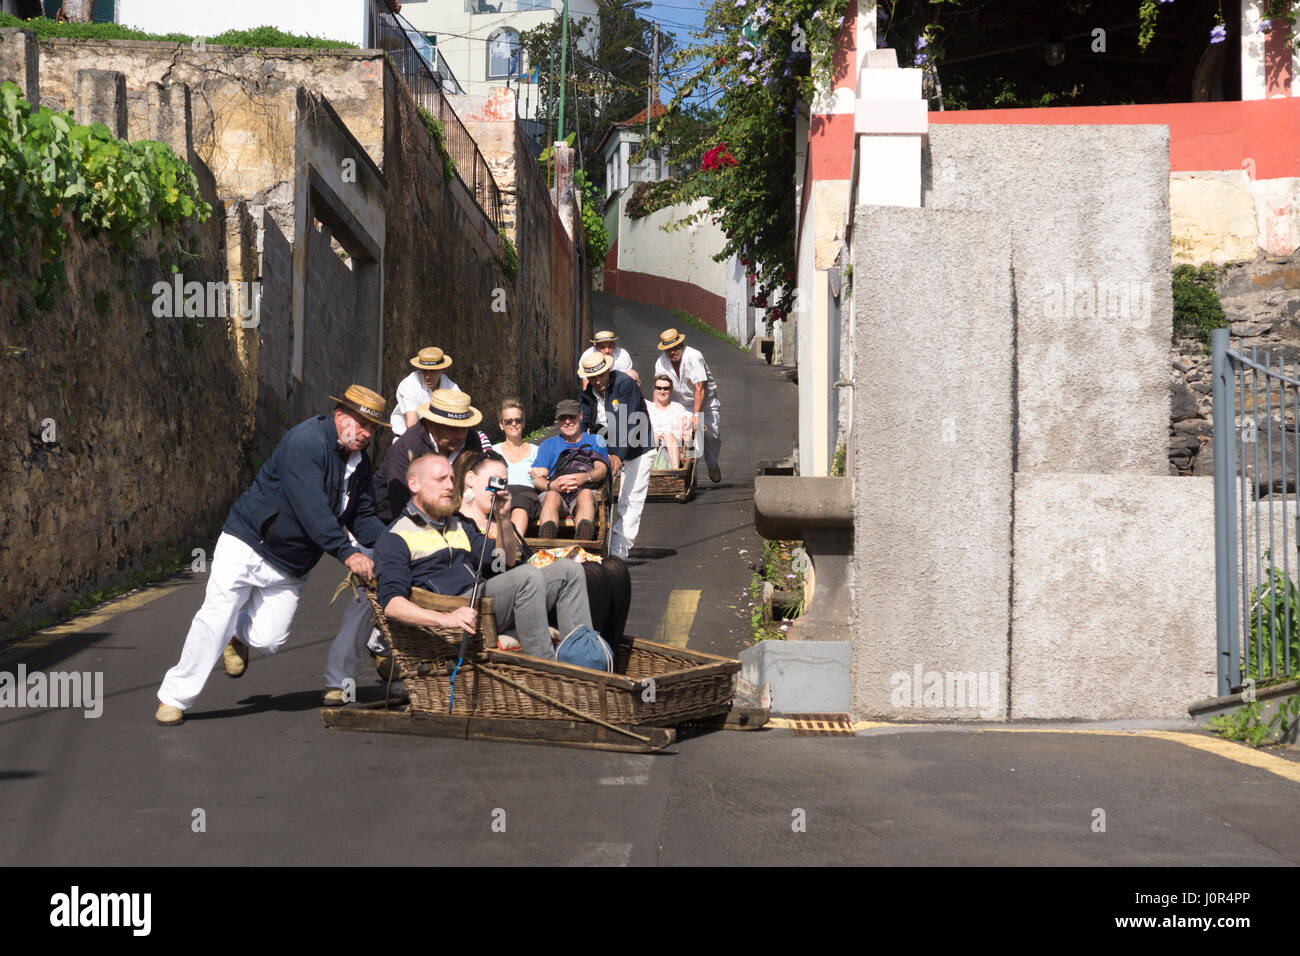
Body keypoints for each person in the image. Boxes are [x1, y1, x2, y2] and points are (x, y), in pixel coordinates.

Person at [156, 385, 390, 725]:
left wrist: (394, 546)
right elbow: (313, 510)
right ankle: (174, 698)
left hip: (291, 564)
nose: (366, 434)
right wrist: (347, 553)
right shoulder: (306, 443)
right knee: (213, 619)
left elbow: (362, 515)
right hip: (248, 541)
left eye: (372, 428)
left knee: (269, 639)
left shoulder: (360, 464)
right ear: (340, 415)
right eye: (360, 424)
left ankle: (238, 636)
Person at [374, 453, 596, 661]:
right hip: (451, 606)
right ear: (415, 484)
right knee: (527, 576)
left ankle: (583, 661)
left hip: (482, 600)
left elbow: (504, 562)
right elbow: (392, 605)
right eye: (441, 479)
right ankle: (549, 670)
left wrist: (503, 518)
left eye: (451, 479)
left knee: (570, 570)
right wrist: (444, 618)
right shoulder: (395, 536)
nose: (450, 486)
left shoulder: (458, 524)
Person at [372, 389, 491, 523]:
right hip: (394, 523)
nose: (460, 435)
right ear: (432, 424)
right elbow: (401, 503)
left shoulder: (472, 440)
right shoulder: (407, 447)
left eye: (464, 428)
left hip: (454, 521)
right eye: (452, 428)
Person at [578, 351, 652, 559]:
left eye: (601, 375)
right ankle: (597, 547)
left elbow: (629, 422)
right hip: (605, 449)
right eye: (592, 377)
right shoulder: (587, 394)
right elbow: (582, 427)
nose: (597, 381)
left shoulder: (625, 384)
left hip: (638, 446)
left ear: (608, 371)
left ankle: (618, 552)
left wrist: (618, 455)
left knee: (630, 499)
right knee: (600, 498)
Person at [531, 399, 610, 542]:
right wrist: (551, 486)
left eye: (571, 417)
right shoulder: (548, 445)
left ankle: (582, 542)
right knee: (551, 496)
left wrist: (584, 478)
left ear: (580, 416)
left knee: (585, 494)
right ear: (558, 421)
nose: (567, 422)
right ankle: (547, 543)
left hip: (585, 489)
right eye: (563, 418)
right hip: (556, 491)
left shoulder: (595, 440)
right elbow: (537, 479)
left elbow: (601, 469)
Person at [654, 328, 722, 483]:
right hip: (681, 404)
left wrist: (696, 415)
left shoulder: (694, 356)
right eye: (669, 349)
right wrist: (657, 411)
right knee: (688, 440)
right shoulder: (661, 362)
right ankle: (691, 478)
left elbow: (700, 388)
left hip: (705, 402)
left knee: (712, 435)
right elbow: (659, 388)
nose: (673, 352)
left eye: (676, 347)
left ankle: (712, 464)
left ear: (682, 344)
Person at [491, 397, 541, 538]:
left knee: (521, 501)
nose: (514, 424)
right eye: (508, 421)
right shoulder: (493, 451)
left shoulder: (536, 451)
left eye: (518, 420)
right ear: (501, 425)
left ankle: (514, 545)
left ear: (523, 423)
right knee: (504, 499)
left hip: (527, 494)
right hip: (502, 491)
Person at [390, 346, 459, 436]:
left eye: (432, 371)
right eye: (424, 371)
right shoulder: (410, 385)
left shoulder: (452, 388)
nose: (427, 376)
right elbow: (412, 425)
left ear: (442, 369)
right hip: (407, 438)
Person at [647, 372, 692, 469]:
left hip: (675, 445)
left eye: (666, 388)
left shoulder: (678, 408)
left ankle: (675, 472)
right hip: (653, 444)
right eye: (659, 388)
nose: (662, 391)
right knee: (653, 435)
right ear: (654, 389)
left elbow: (685, 430)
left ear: (671, 390)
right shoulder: (648, 408)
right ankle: (651, 473)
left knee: (668, 435)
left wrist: (686, 448)